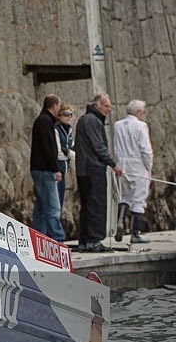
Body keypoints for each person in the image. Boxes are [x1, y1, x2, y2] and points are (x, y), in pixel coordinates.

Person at [74, 94, 122, 253]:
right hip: (92, 169)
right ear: (97, 106)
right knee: (96, 205)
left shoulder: (84, 119)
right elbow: (98, 146)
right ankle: (94, 241)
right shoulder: (92, 121)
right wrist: (113, 164)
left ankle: (85, 241)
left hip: (84, 169)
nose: (109, 109)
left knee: (87, 205)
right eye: (106, 106)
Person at [113, 100, 153, 244]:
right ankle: (135, 233)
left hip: (122, 164)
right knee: (139, 199)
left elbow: (116, 146)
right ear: (138, 112)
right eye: (143, 112)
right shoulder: (141, 126)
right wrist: (149, 166)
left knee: (125, 196)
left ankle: (120, 220)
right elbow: (145, 149)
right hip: (137, 164)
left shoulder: (117, 125)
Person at [29, 94, 66, 242]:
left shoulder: (42, 121)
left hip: (39, 168)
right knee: (53, 206)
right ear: (54, 106)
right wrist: (55, 169)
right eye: (59, 106)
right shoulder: (45, 122)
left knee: (41, 207)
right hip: (45, 170)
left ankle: (38, 238)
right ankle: (58, 238)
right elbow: (48, 147)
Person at [55, 104, 75, 208]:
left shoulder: (69, 131)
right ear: (60, 115)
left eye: (71, 115)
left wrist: (68, 153)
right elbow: (58, 153)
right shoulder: (56, 130)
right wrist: (68, 153)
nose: (69, 117)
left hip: (64, 169)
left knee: (61, 201)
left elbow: (74, 152)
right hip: (56, 169)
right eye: (66, 114)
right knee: (55, 202)